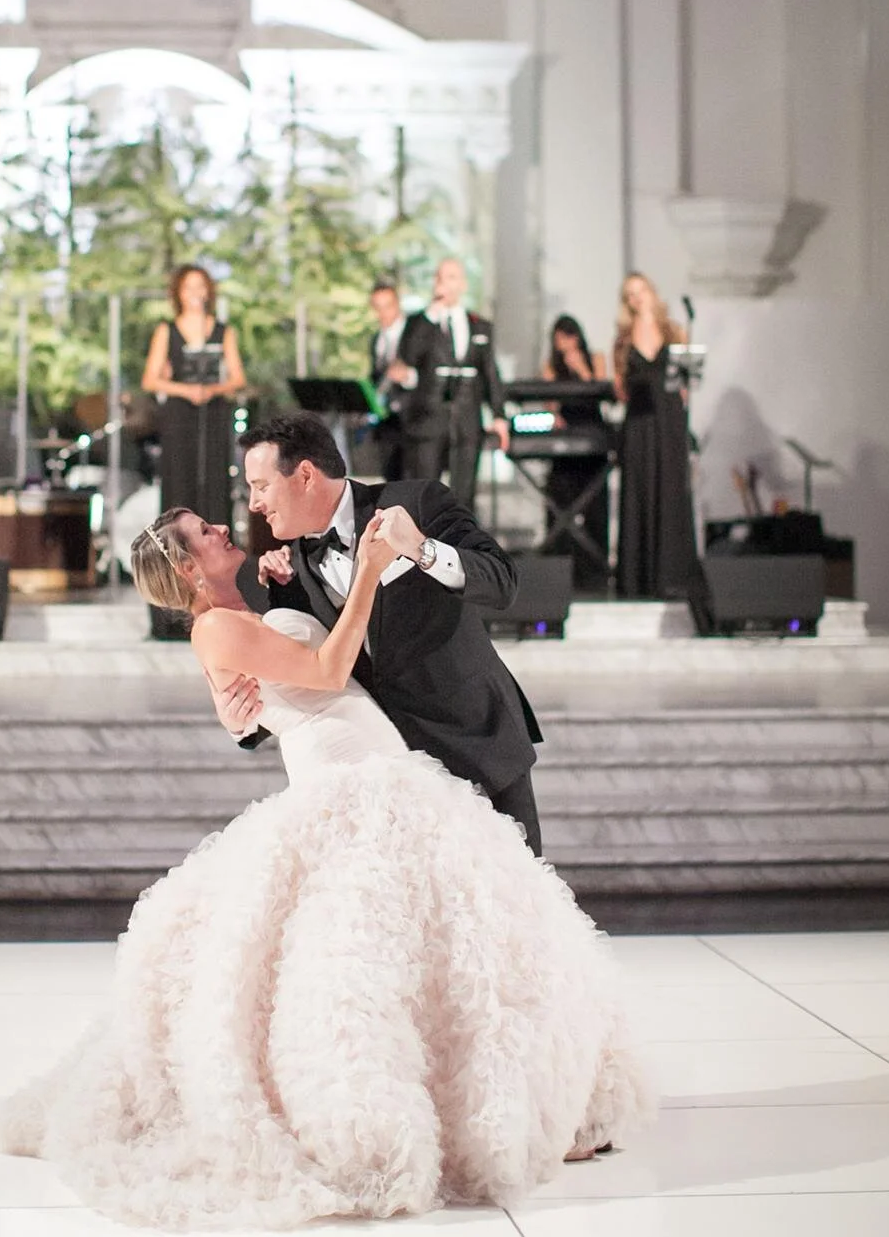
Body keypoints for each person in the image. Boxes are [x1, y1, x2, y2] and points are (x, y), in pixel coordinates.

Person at [4, 502, 649, 1229]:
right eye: (206, 532)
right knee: (365, 966)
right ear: (187, 567)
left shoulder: (242, 604)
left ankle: (514, 1105)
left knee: (457, 951)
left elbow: (290, 669)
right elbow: (325, 665)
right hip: (344, 787)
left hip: (386, 773)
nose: (224, 528)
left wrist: (287, 594)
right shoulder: (215, 624)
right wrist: (371, 573)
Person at [237, 410, 543, 852]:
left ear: (304, 475)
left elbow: (503, 583)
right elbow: (312, 675)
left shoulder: (417, 501)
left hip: (477, 743)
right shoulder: (295, 569)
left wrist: (421, 549)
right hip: (397, 777)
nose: (253, 503)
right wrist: (244, 726)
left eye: (260, 485)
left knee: (520, 906)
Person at [141, 264, 245, 637]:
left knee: (215, 497)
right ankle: (172, 609)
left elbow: (237, 377)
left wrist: (212, 391)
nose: (196, 292)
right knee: (179, 498)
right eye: (189, 287)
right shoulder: (166, 331)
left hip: (213, 417)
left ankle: (225, 600)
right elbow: (150, 377)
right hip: (181, 417)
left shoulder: (223, 330)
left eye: (201, 286)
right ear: (179, 292)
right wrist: (187, 390)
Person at [397, 257, 510, 507]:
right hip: (429, 419)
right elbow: (408, 356)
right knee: (424, 494)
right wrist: (431, 314)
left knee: (464, 495)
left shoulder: (479, 326)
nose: (444, 283)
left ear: (462, 284)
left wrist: (499, 415)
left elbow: (490, 372)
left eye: (451, 277)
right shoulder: (420, 322)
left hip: (466, 419)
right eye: (439, 277)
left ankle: (460, 544)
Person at [613, 272, 699, 599]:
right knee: (639, 491)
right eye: (629, 294)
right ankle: (638, 579)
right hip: (638, 421)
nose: (636, 298)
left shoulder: (674, 331)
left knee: (671, 490)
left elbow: (687, 381)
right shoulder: (622, 339)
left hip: (670, 421)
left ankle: (674, 576)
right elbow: (619, 387)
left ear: (651, 292)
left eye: (640, 291)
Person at [540, 312, 611, 593]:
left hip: (592, 434)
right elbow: (549, 403)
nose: (564, 344)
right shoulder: (550, 367)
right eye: (558, 339)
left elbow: (601, 390)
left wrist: (581, 368)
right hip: (564, 438)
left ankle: (596, 572)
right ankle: (557, 569)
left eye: (568, 337)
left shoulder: (596, 358)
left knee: (594, 505)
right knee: (559, 501)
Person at [368, 279, 413, 482]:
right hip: (387, 423)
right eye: (378, 307)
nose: (383, 313)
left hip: (412, 420)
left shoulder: (414, 334)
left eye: (387, 306)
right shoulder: (377, 339)